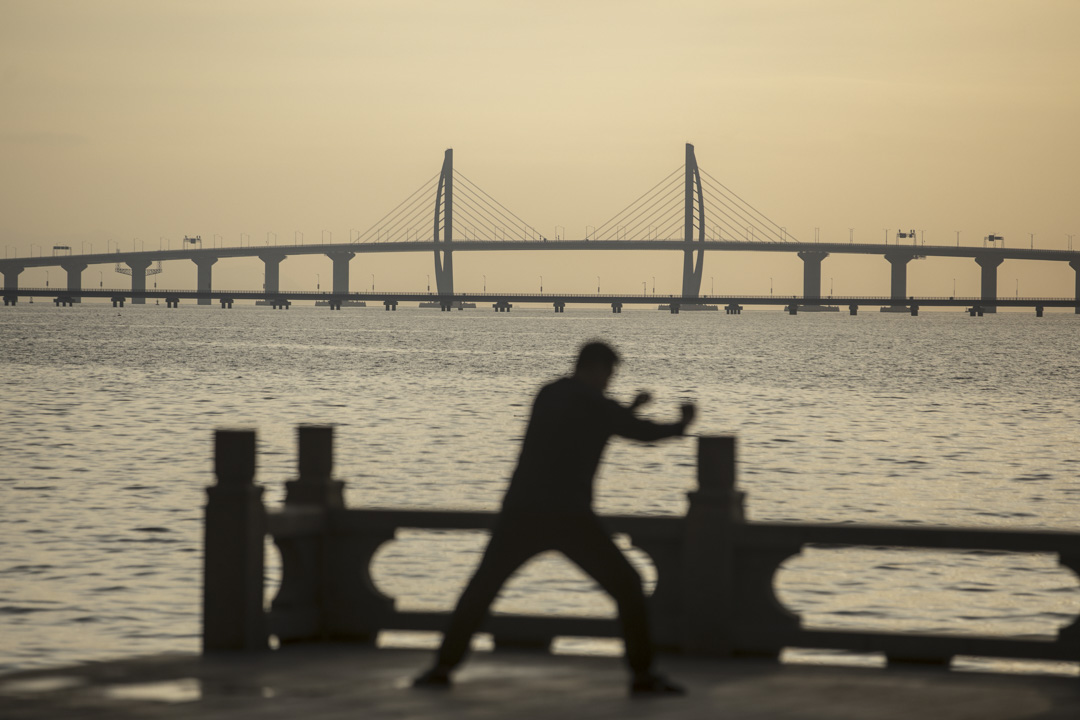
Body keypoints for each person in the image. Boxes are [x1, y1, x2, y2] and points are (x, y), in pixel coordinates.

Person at [414, 341, 696, 695]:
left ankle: (442, 668)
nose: (609, 381)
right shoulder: (596, 404)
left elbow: (592, 424)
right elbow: (636, 431)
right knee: (628, 585)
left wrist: (625, 409)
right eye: (609, 374)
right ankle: (643, 675)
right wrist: (682, 424)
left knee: (481, 589)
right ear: (595, 368)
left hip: (521, 512)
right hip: (569, 517)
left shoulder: (549, 394)